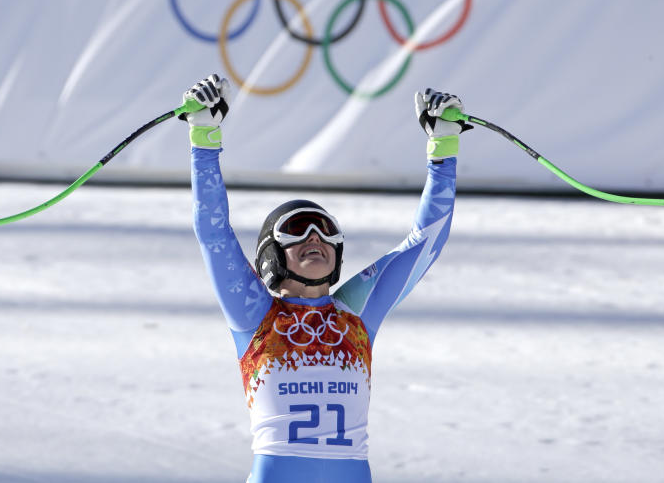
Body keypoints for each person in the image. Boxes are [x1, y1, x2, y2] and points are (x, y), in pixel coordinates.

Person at [183, 74, 472, 483]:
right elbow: (213, 233)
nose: (314, 238)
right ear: (271, 255)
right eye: (298, 228)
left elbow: (425, 242)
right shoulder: (254, 316)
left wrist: (443, 148)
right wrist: (204, 137)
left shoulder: (355, 312)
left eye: (325, 230)